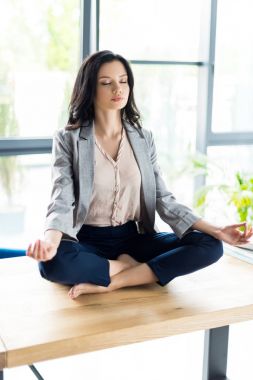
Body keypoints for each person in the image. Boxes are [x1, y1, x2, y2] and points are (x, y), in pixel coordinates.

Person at [26, 50, 253, 300]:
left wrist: (218, 229)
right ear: (89, 88)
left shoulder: (144, 139)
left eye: (123, 81)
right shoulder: (68, 139)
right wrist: (50, 242)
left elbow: (163, 198)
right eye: (106, 83)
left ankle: (116, 281)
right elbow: (61, 199)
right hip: (87, 239)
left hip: (133, 238)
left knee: (210, 246)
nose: (118, 89)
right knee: (51, 264)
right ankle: (125, 266)